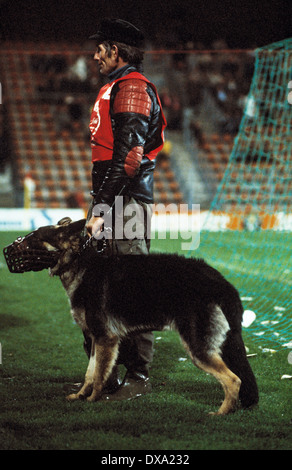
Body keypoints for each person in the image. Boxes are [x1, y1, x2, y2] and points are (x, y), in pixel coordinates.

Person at [84, 18, 167, 400]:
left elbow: (130, 158)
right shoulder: (119, 86)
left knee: (132, 290)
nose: (95, 53)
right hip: (116, 200)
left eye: (101, 48)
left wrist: (100, 207)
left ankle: (138, 377)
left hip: (125, 203)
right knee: (103, 289)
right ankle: (107, 376)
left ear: (116, 51)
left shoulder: (132, 87)